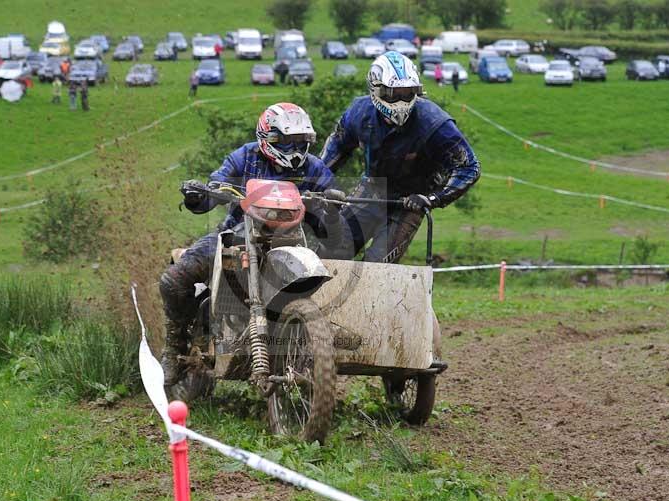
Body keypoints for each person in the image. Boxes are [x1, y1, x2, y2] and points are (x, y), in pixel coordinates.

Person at [159, 103, 341, 386]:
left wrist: (333, 206)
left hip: (294, 244)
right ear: (267, 139)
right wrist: (198, 196)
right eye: (286, 142)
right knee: (174, 280)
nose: (294, 150)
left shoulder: (315, 168)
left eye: (300, 142)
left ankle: (307, 344)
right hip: (237, 233)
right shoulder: (245, 157)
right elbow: (215, 187)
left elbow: (331, 216)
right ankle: (173, 348)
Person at [320, 51, 480, 264]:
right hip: (371, 190)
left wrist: (433, 199)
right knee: (331, 253)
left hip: (409, 202)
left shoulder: (435, 122)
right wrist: (317, 185)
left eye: (407, 92)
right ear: (376, 90)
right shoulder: (359, 112)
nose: (401, 100)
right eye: (393, 93)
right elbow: (335, 151)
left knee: (376, 265)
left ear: (417, 91)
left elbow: (469, 166)